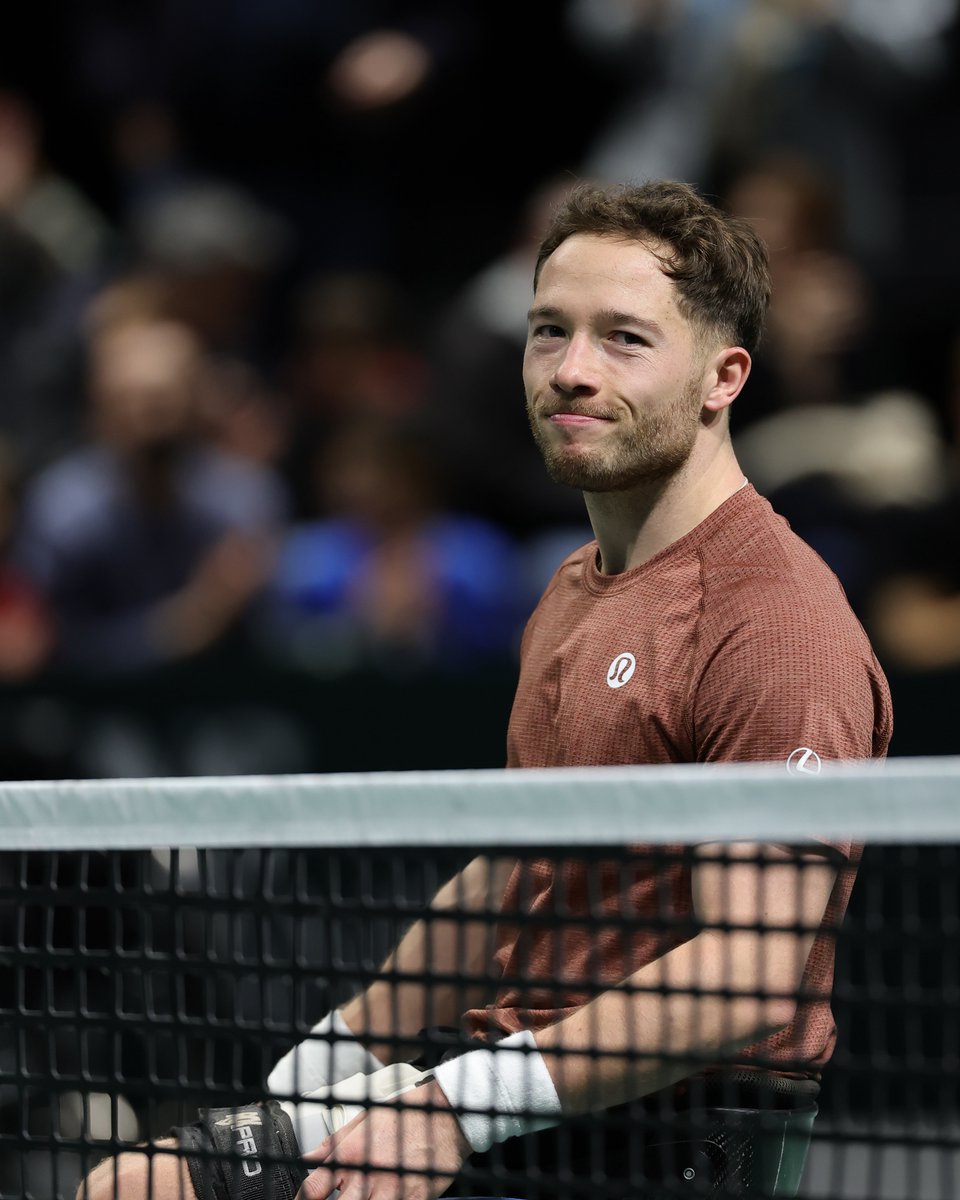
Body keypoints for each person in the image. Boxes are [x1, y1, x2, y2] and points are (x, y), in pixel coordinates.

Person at [75, 178, 892, 1200]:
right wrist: (330, 1067)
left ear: (723, 376)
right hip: (513, 1113)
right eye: (549, 330)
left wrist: (453, 1109)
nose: (572, 371)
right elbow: (517, 865)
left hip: (663, 1145)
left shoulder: (776, 622)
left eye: (625, 339)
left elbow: (749, 971)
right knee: (133, 1187)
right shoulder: (571, 590)